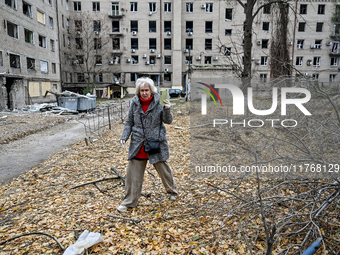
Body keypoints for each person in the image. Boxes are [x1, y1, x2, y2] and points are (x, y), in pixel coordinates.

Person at [118, 77, 178, 212]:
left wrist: (167, 109)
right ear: (138, 91)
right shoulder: (134, 103)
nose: (144, 93)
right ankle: (128, 202)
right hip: (138, 143)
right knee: (133, 175)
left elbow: (168, 121)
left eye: (147, 90)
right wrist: (124, 137)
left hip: (156, 142)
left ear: (151, 90)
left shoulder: (159, 101)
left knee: (164, 170)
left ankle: (172, 192)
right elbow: (129, 122)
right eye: (142, 90)